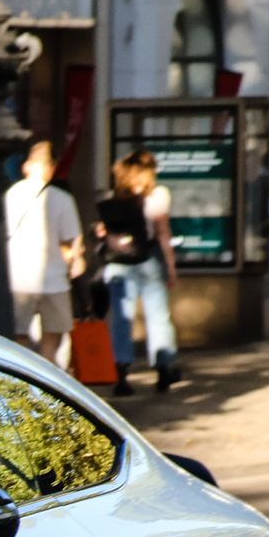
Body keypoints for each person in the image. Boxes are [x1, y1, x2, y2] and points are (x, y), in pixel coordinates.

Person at [98, 152, 179, 395]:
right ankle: (163, 368)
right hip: (148, 260)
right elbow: (162, 233)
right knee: (158, 316)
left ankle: (121, 374)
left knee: (121, 318)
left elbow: (104, 230)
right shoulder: (157, 196)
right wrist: (171, 266)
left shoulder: (110, 198)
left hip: (117, 263)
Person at [3, 138, 83, 357]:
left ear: (26, 166)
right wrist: (75, 259)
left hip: (17, 278)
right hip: (54, 279)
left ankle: (20, 382)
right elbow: (72, 239)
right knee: (52, 336)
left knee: (18, 336)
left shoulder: (9, 196)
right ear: (51, 168)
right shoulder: (62, 198)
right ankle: (45, 378)